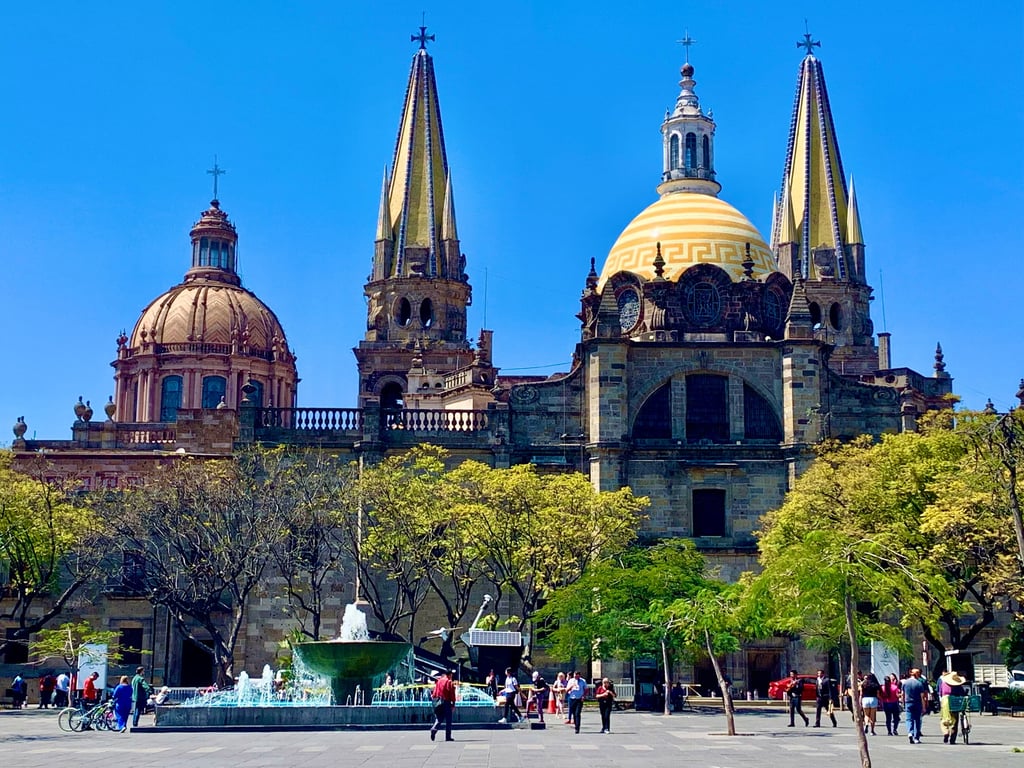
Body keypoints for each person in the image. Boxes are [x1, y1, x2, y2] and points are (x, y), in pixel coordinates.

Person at [938, 671, 968, 744]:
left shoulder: (943, 683)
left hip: (944, 701)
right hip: (954, 702)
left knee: (944, 718)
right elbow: (962, 694)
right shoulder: (957, 686)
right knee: (955, 720)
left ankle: (945, 732)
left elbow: (940, 693)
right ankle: (952, 739)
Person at [901, 668, 928, 744]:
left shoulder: (905, 683)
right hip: (917, 703)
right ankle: (916, 738)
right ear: (917, 674)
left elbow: (903, 694)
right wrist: (924, 707)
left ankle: (910, 732)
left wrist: (903, 703)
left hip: (908, 702)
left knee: (909, 719)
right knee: (917, 720)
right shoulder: (919, 684)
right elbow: (922, 696)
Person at [429, 669, 456, 742]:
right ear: (450, 675)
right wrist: (453, 704)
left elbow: (434, 692)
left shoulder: (439, 680)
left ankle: (434, 728)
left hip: (438, 702)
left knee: (439, 718)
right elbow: (451, 694)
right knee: (448, 720)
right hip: (446, 702)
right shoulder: (449, 682)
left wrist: (434, 701)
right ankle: (448, 736)